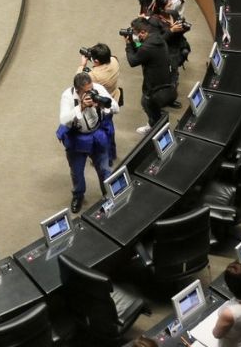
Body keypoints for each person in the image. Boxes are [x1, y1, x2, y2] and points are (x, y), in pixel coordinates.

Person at [58, 71, 118, 212]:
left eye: (91, 88)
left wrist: (103, 106)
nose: (91, 92)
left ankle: (108, 193)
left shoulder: (97, 89)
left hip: (97, 134)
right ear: (78, 91)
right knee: (77, 171)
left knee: (104, 168)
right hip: (77, 138)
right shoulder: (67, 96)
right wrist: (81, 107)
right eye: (87, 91)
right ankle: (78, 195)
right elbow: (64, 120)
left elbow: (115, 107)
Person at [125, 16, 175, 132]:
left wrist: (128, 44)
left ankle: (155, 127)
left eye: (136, 34)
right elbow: (140, 48)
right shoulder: (156, 38)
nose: (135, 36)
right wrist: (134, 43)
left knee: (147, 103)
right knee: (152, 105)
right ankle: (154, 122)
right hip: (165, 79)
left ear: (143, 32)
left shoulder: (147, 47)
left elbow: (133, 61)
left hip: (153, 85)